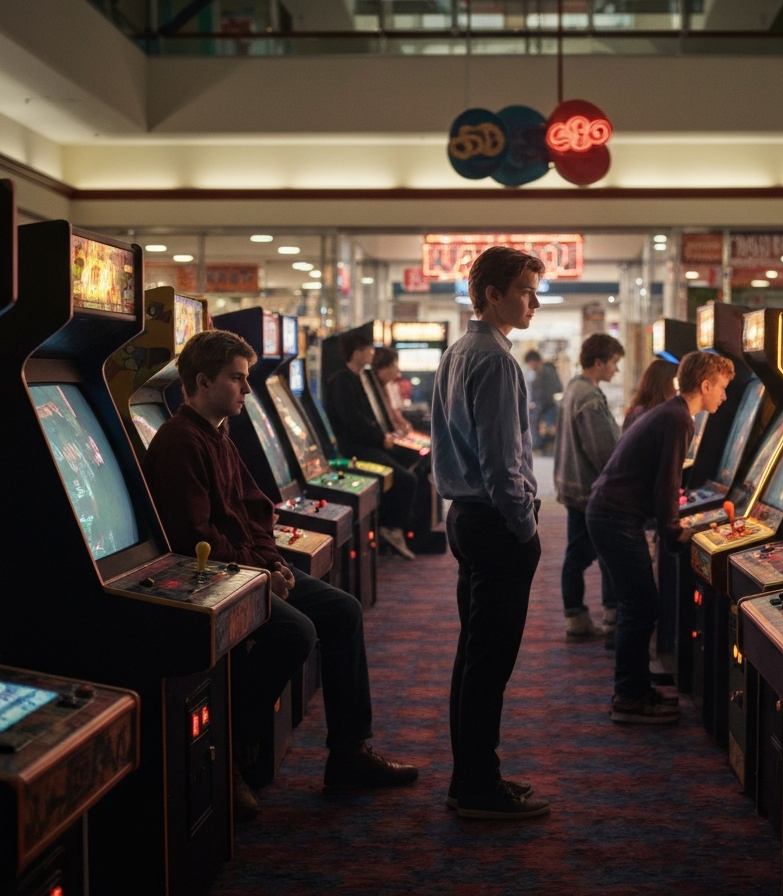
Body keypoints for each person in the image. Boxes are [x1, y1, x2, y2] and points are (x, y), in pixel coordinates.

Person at [143, 329, 418, 820]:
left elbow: (257, 510)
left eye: (249, 379)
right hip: (215, 574)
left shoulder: (219, 433)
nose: (249, 390)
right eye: (238, 379)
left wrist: (271, 563)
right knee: (295, 632)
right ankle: (231, 756)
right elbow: (194, 535)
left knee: (343, 610)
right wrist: (259, 572)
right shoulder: (180, 441)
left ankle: (348, 753)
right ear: (203, 381)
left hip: (250, 566)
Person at [431, 246, 551, 820]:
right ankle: (477, 786)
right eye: (526, 290)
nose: (534, 301)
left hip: (464, 515)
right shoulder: (498, 361)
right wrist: (525, 527)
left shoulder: (459, 350)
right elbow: (504, 463)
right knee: (489, 663)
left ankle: (471, 777)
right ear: (492, 294)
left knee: (473, 658)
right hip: (495, 522)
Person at [587, 349, 735, 724]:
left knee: (638, 607)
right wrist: (673, 533)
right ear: (704, 385)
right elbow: (667, 483)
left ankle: (635, 687)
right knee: (640, 608)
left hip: (611, 514)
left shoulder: (671, 412)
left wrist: (673, 528)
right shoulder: (679, 419)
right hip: (614, 518)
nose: (725, 396)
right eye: (721, 387)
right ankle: (628, 698)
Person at [553, 332, 625, 642]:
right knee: (585, 554)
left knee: (585, 553)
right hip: (589, 491)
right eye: (614, 363)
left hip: (574, 486)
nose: (616, 370)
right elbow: (603, 451)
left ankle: (589, 613)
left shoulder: (575, 387)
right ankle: (579, 616)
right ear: (599, 362)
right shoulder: (589, 398)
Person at [324, 333, 418, 561]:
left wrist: (384, 436)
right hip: (354, 449)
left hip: (368, 443)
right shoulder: (342, 380)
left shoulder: (357, 377)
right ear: (357, 353)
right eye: (368, 349)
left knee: (412, 463)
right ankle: (390, 528)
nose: (372, 354)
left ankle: (392, 525)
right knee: (407, 479)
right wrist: (380, 437)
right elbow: (354, 421)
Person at [622, 355, 679, 433]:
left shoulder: (637, 411)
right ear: (665, 384)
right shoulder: (650, 415)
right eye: (676, 382)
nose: (678, 389)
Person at [524, 349, 562, 452]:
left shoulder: (544, 373)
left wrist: (537, 406)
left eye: (530, 364)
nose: (530, 367)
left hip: (548, 407)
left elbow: (543, 394)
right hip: (551, 405)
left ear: (534, 361)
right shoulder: (550, 370)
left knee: (535, 420)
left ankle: (539, 446)